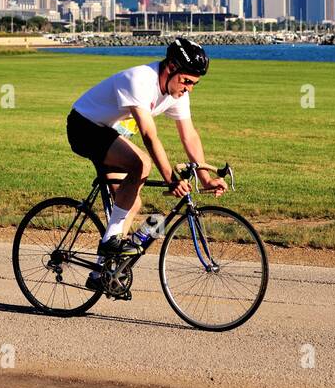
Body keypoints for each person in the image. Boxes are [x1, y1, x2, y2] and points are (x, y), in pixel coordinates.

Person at [65, 37, 227, 291]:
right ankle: (110, 242)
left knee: (135, 204)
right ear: (171, 67)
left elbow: (189, 135)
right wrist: (170, 178)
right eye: (186, 81)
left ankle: (102, 274)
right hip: (84, 127)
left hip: (110, 131)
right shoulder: (140, 79)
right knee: (141, 162)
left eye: (194, 84)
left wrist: (205, 177)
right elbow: (149, 136)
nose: (189, 89)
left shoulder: (177, 93)